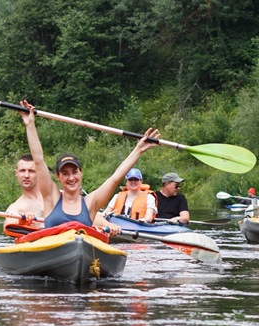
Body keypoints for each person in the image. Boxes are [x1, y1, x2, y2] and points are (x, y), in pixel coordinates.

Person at [18, 100, 160, 237]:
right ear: (58, 177)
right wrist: (30, 124)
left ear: (81, 173)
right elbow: (38, 160)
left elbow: (116, 178)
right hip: (53, 252)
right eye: (65, 174)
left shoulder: (90, 203)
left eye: (74, 172)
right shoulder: (51, 197)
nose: (71, 178)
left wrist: (139, 149)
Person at [4, 153, 46, 234]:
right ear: (16, 173)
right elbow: (8, 228)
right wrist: (21, 223)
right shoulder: (15, 208)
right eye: (22, 171)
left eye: (31, 171)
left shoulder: (56, 196)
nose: (26, 175)